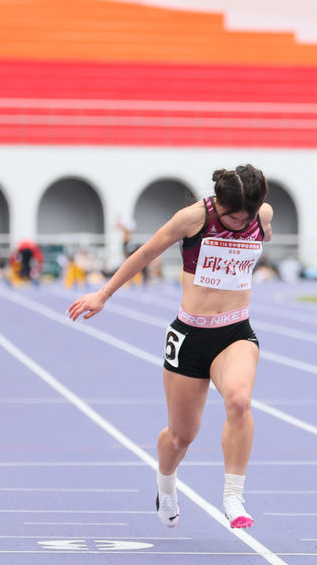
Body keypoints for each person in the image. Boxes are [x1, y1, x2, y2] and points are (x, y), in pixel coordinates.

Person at [68, 166, 272, 531]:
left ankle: (233, 495)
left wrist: (258, 234)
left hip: (235, 332)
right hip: (191, 335)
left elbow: (264, 232)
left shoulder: (262, 215)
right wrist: (103, 294)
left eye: (248, 218)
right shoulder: (193, 218)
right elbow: (147, 252)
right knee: (181, 436)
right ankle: (165, 484)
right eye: (233, 218)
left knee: (239, 401)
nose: (241, 224)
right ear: (219, 204)